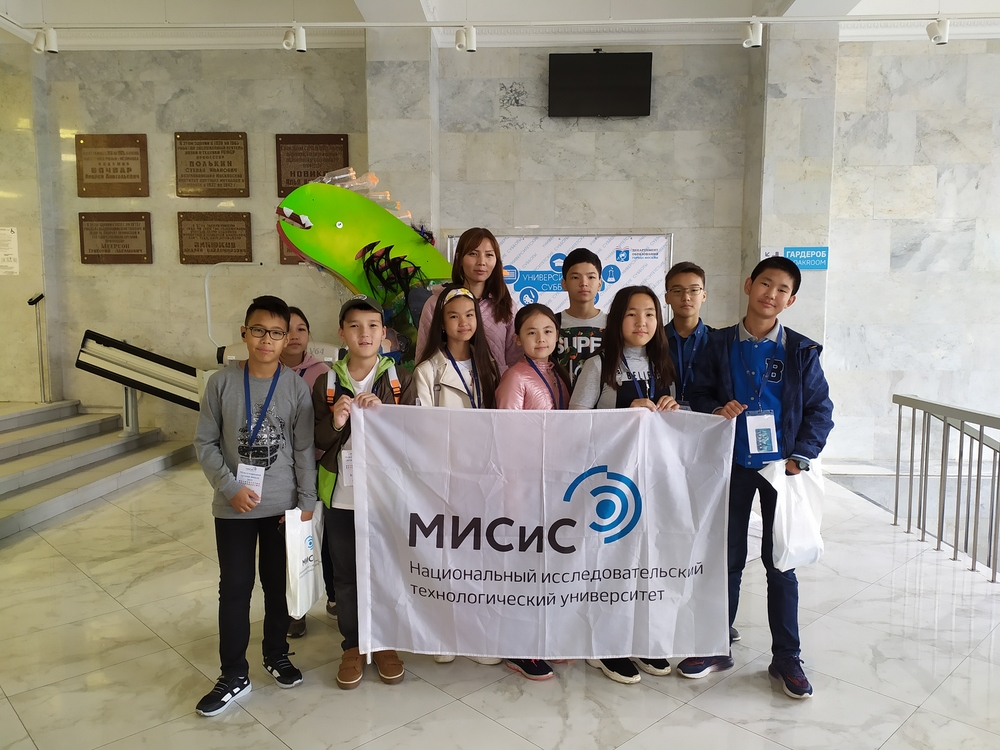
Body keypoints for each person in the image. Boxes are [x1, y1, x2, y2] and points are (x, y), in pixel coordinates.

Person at [682, 258, 834, 700]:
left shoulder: (801, 350)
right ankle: (716, 644)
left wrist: (800, 456)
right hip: (732, 463)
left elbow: (820, 409)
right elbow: (697, 391)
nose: (772, 294)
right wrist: (717, 408)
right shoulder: (717, 342)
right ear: (749, 285)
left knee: (780, 560)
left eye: (782, 289)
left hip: (780, 470)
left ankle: (787, 656)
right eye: (765, 283)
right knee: (727, 556)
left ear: (791, 300)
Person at [194, 295, 316, 716]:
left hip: (282, 508)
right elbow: (205, 443)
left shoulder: (296, 387)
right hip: (235, 508)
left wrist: (307, 502)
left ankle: (276, 653)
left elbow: (304, 449)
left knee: (277, 587)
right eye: (259, 330)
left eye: (277, 333)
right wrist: (229, 488)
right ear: (244, 333)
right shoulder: (221, 383)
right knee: (235, 588)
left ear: (287, 339)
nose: (267, 340)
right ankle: (233, 673)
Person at [569, 285, 678, 684]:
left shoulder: (663, 364)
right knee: (609, 564)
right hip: (609, 482)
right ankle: (604, 645)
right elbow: (574, 423)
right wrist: (623, 410)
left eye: (649, 314)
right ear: (617, 320)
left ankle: (641, 638)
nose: (642, 322)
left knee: (647, 561)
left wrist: (673, 409)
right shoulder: (599, 365)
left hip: (650, 480)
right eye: (632, 314)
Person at [313, 294, 416, 690]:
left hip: (387, 497)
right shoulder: (326, 381)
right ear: (342, 333)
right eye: (354, 326)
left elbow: (413, 438)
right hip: (342, 496)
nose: (364, 333)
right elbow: (316, 439)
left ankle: (385, 644)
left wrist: (385, 415)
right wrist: (337, 421)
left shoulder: (400, 379)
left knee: (388, 570)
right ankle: (353, 646)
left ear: (384, 332)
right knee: (346, 577)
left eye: (372, 326)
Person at [413, 286, 503, 666]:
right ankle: (444, 633)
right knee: (447, 555)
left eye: (469, 315)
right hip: (448, 475)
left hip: (485, 473)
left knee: (481, 556)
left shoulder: (489, 365)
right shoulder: (428, 370)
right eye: (454, 316)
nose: (463, 322)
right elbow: (423, 429)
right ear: (441, 323)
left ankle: (477, 634)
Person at [494, 303, 570, 680]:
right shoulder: (516, 377)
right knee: (522, 567)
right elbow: (505, 436)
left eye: (548, 331)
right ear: (518, 338)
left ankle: (543, 638)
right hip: (522, 486)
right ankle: (518, 646)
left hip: (553, 484)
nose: (541, 339)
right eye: (531, 332)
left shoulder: (558, 374)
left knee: (546, 565)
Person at [280, 307, 335, 639]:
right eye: (287, 329)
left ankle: (334, 595)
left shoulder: (323, 373)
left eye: (301, 329)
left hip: (317, 465)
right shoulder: (266, 372)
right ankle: (295, 609)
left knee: (323, 536)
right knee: (290, 539)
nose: (295, 336)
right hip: (280, 470)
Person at [416, 227, 520, 374]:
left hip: (498, 387)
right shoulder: (436, 303)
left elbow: (516, 361)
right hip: (450, 386)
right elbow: (423, 359)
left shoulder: (505, 305)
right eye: (473, 254)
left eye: (489, 255)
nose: (481, 262)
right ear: (459, 258)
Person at [663, 262, 713, 409]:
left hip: (706, 417)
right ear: (667, 297)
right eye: (677, 291)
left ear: (704, 295)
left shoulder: (718, 341)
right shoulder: (655, 340)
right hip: (663, 416)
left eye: (694, 290)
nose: (686, 297)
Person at [555, 247, 607, 386]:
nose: (584, 283)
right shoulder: (552, 324)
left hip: (603, 399)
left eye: (591, 277)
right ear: (564, 284)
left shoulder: (613, 324)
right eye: (575, 277)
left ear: (600, 284)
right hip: (560, 398)